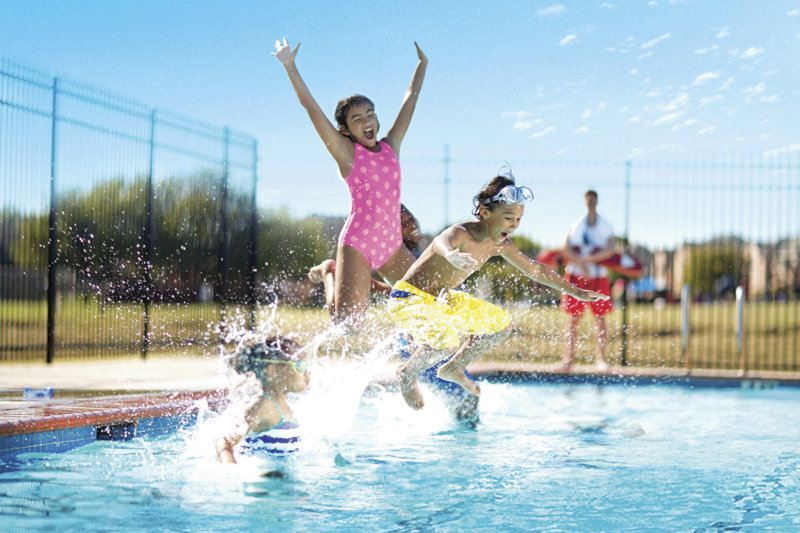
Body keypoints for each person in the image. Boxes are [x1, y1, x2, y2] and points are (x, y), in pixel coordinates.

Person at [388, 174, 609, 409]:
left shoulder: (499, 244)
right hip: (409, 298)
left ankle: (453, 367)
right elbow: (441, 243)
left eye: (518, 219)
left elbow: (534, 269)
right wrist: (451, 254)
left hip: (441, 300)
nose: (513, 225)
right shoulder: (461, 232)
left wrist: (576, 291)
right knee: (445, 342)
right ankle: (406, 373)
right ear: (484, 212)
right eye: (507, 217)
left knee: (500, 325)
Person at [273, 38, 428, 330]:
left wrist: (423, 64)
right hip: (358, 242)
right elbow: (310, 108)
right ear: (345, 129)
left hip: (392, 245)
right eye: (357, 119)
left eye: (371, 114)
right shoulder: (346, 153)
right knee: (348, 326)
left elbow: (411, 98)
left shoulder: (391, 145)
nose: (367, 122)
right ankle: (331, 271)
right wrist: (289, 65)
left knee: (426, 300)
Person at [216, 336, 310, 463]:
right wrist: (230, 468)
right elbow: (224, 441)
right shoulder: (263, 405)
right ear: (274, 371)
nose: (307, 371)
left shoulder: (286, 408)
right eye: (300, 365)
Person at [556, 190, 617, 372]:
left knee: (600, 318)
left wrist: (592, 259)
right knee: (573, 319)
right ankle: (568, 359)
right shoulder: (576, 226)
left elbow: (612, 247)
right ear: (585, 201)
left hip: (598, 275)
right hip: (576, 275)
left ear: (597, 201)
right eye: (588, 199)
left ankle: (601, 360)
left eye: (593, 199)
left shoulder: (605, 225)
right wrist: (580, 262)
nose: (591, 202)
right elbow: (565, 247)